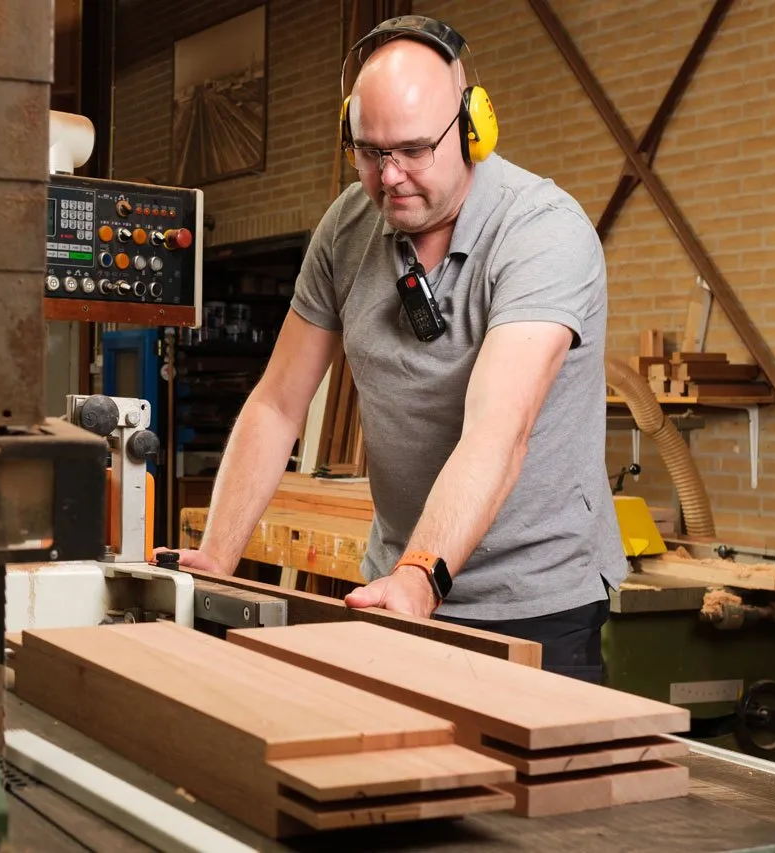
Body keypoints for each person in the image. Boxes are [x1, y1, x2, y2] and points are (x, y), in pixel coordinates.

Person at [163, 15, 625, 683]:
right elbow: (278, 403)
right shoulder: (348, 229)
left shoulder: (543, 234)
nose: (390, 177)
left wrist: (422, 574)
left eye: (412, 149)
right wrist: (215, 559)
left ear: (471, 127)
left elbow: (500, 430)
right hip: (398, 586)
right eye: (369, 151)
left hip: (533, 604)